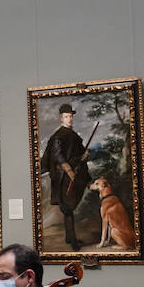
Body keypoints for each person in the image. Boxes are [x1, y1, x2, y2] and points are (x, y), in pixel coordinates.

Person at [42, 103, 91, 250]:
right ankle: (72, 240)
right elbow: (57, 156)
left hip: (74, 174)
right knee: (68, 206)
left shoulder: (72, 134)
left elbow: (78, 153)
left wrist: (84, 155)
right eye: (66, 116)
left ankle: (70, 237)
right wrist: (69, 172)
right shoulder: (59, 135)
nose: (69, 119)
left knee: (70, 206)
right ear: (61, 118)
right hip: (64, 177)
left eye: (71, 116)